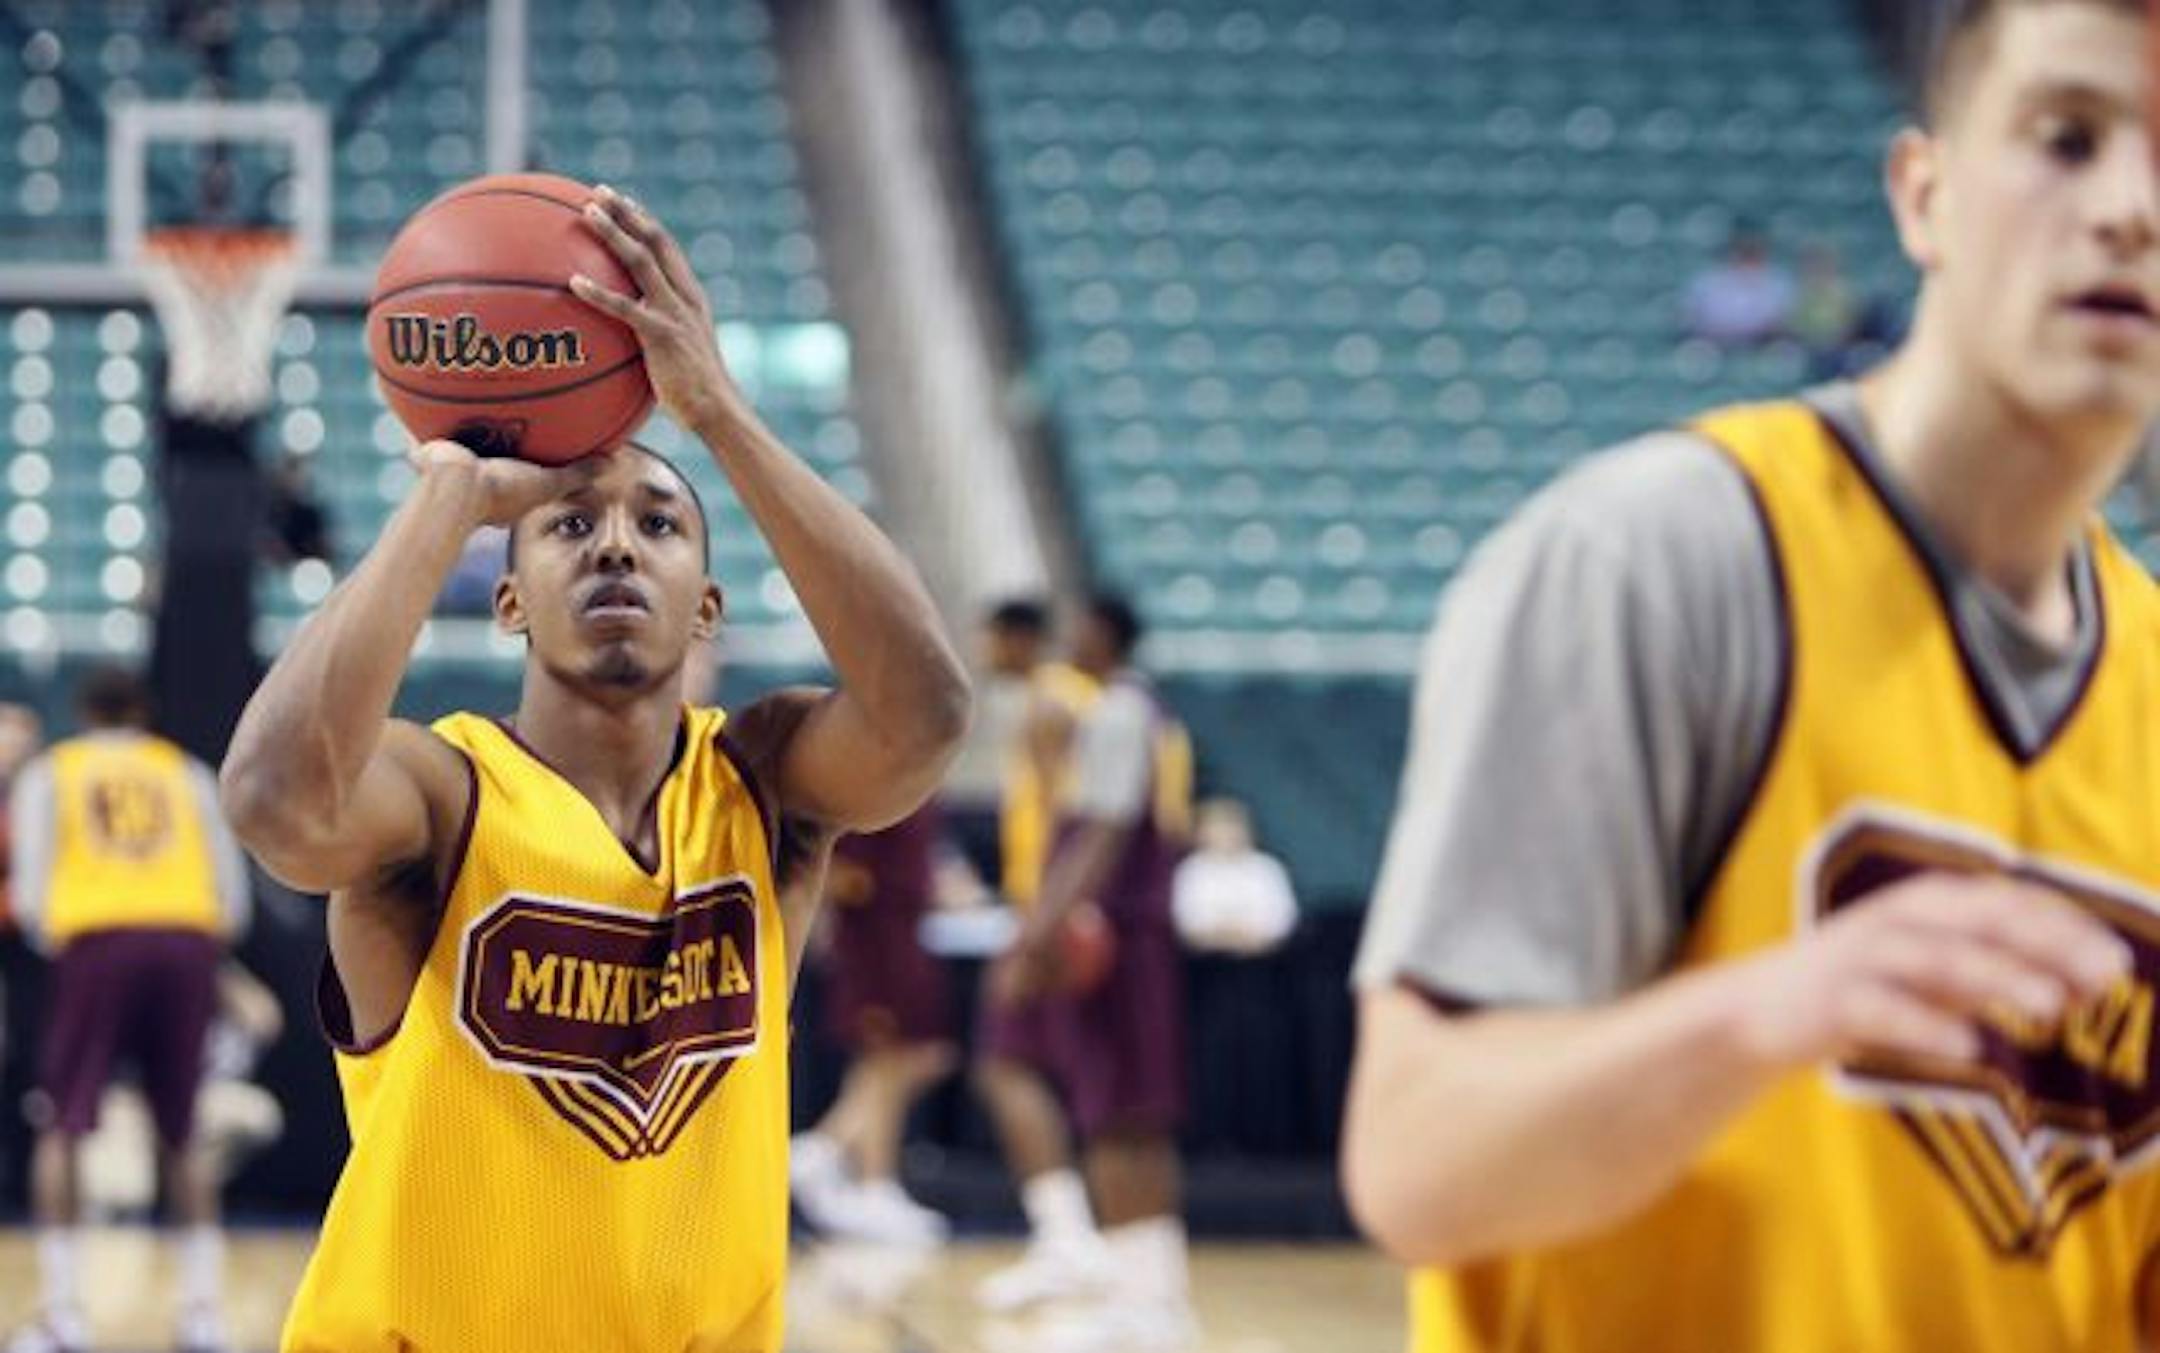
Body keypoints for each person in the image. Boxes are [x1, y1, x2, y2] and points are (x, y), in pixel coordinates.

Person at [1344, 3, 2160, 1349]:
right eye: (2066, 139)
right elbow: (1418, 1162)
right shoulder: (1660, 559)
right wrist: (1767, 1011)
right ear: (1924, 194)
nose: (2129, 209)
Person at [218, 185, 970, 1351]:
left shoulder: (763, 787)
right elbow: (272, 798)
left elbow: (926, 713)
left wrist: (716, 410)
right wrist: (452, 497)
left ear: (707, 608)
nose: (617, 538)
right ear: (508, 600)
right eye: (572, 525)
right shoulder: (444, 796)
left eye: (660, 526)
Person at [6, 668, 252, 1353]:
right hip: (185, 939)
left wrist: (58, 931)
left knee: (64, 1121)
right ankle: (203, 1314)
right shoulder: (187, 772)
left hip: (97, 941)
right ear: (144, 712)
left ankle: (64, 1314)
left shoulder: (58, 769)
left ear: (84, 710)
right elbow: (230, 890)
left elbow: (30, 890)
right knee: (183, 1125)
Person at [1000, 594, 1196, 1352]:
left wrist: (1040, 930)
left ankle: (1146, 1298)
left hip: (1115, 935)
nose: (1066, 636)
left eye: (1077, 623)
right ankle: (1149, 1290)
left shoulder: (1118, 711)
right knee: (1129, 1112)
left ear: (1103, 633)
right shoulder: (1136, 710)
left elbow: (1100, 831)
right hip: (1129, 934)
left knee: (1120, 1114)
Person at [970, 599, 1115, 1312]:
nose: (982, 649)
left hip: (1057, 915)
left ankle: (1070, 1239)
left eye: (990, 636)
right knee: (1072, 1077)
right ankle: (1077, 1238)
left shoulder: (1052, 704)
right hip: (1076, 911)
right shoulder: (1081, 700)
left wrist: (1044, 923)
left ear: (1018, 638)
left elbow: (1076, 820)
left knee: (1005, 1065)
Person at [791, 802, 959, 1247]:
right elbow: (840, 872)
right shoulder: (873, 791)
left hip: (905, 930)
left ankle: (825, 1149)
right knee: (885, 1060)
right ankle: (871, 1181)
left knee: (920, 1057)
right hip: (875, 939)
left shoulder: (917, 789)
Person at [1172, 798, 1297, 958]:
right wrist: (1221, 936)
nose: (1225, 835)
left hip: (1263, 961)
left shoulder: (1266, 867)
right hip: (1204, 964)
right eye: (1217, 828)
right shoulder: (1191, 870)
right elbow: (1187, 920)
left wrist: (1251, 937)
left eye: (1231, 827)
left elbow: (1283, 918)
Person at [1681, 222, 1796, 346]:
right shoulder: (1707, 280)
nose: (1749, 253)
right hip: (1714, 343)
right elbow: (1695, 318)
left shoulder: (1779, 281)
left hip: (1762, 344)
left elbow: (1781, 322)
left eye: (1754, 248)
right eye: (1744, 248)